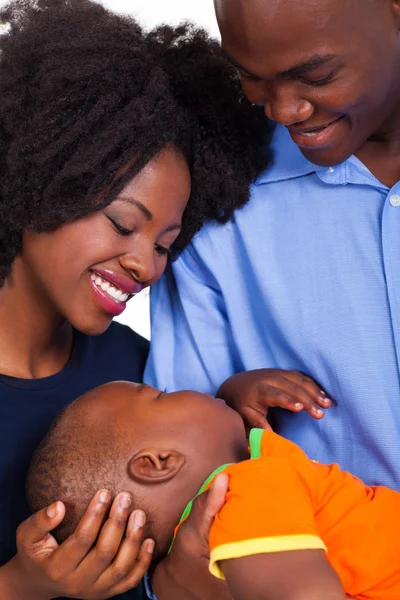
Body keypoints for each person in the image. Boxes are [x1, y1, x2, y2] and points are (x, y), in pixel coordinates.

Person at [0, 1, 269, 598]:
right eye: (124, 224)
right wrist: (20, 584)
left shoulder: (135, 367)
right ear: (41, 177)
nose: (146, 265)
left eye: (167, 244)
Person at [145, 0, 400, 490]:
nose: (284, 110)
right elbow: (177, 480)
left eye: (319, 75)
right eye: (250, 76)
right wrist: (229, 402)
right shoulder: (215, 204)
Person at [27, 380, 400, 600]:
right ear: (158, 463)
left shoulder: (218, 541)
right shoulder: (245, 492)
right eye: (163, 394)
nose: (191, 387)